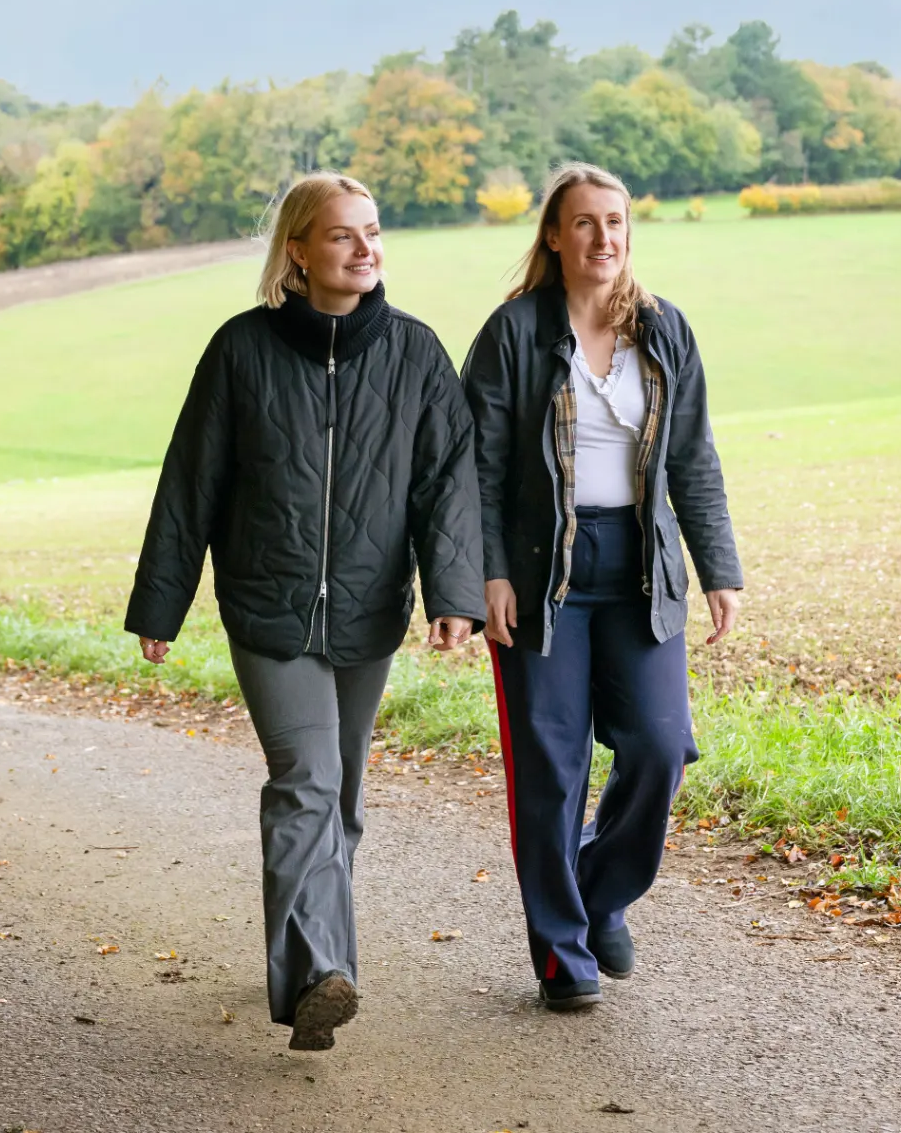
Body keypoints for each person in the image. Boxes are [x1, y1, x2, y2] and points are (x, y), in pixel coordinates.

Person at [125, 171, 484, 1050]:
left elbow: (447, 486)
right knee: (307, 785)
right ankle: (320, 976)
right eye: (342, 236)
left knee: (343, 798)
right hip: (268, 610)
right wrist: (161, 602)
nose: (366, 250)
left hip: (368, 613)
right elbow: (191, 481)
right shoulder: (240, 351)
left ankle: (316, 959)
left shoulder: (415, 354)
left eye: (372, 232)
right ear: (298, 252)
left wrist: (454, 594)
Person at [462, 161, 743, 1012]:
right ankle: (562, 958)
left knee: (659, 749)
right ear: (554, 234)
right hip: (541, 572)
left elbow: (693, 458)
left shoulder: (664, 330)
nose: (603, 238)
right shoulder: (514, 334)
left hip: (640, 569)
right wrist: (489, 573)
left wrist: (718, 568)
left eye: (615, 222)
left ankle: (599, 893)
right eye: (584, 222)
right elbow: (473, 467)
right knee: (552, 767)